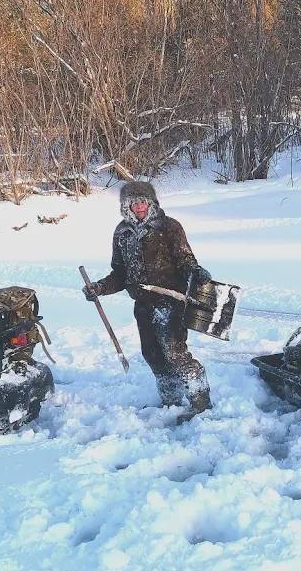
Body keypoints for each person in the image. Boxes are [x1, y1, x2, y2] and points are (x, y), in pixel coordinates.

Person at [83, 181, 212, 423]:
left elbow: (186, 261)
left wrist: (196, 273)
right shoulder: (122, 233)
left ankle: (201, 402)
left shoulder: (169, 227)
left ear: (151, 203)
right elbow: (119, 274)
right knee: (152, 354)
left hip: (170, 302)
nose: (139, 207)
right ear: (126, 206)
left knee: (175, 353)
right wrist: (99, 288)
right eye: (134, 203)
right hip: (142, 305)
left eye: (143, 202)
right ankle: (170, 399)